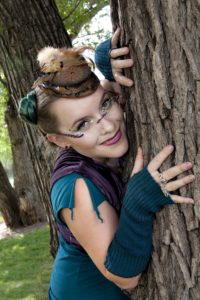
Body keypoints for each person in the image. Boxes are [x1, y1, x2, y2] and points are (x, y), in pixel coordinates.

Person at [18, 29, 195, 300]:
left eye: (104, 104)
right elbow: (125, 277)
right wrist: (137, 204)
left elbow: (117, 83)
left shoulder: (100, 145)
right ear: (58, 140)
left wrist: (109, 60)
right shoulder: (75, 187)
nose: (108, 125)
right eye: (82, 124)